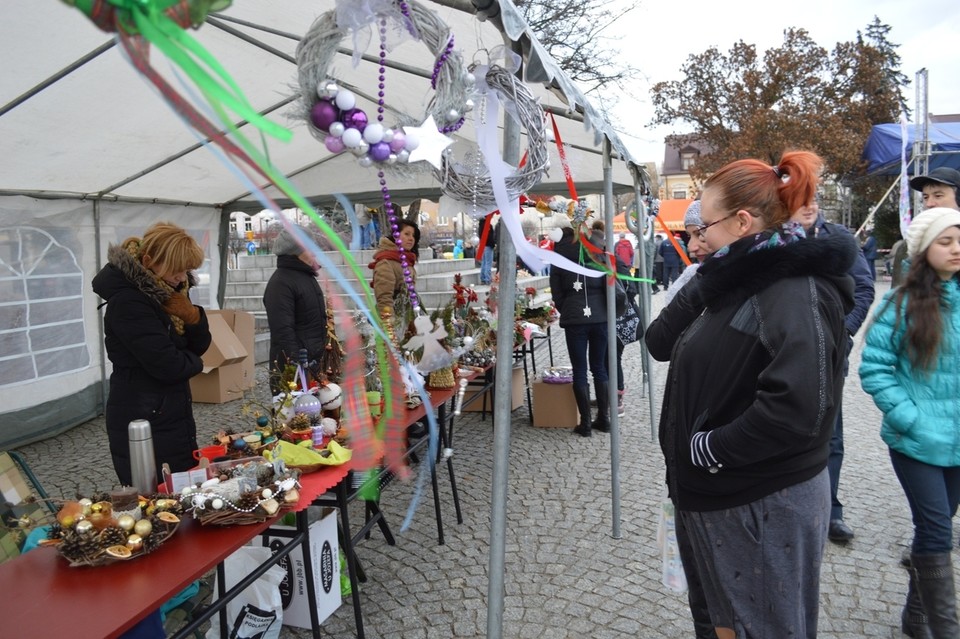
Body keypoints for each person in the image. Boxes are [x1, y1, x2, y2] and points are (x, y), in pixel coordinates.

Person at [645, 150, 856, 639]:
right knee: (721, 624)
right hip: (713, 496)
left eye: (705, 226)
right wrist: (711, 273)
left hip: (759, 500)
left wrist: (709, 448)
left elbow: (799, 406)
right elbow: (659, 343)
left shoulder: (792, 289)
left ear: (742, 222)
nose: (696, 239)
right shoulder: (734, 280)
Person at [859, 207, 960, 639]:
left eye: (959, 239)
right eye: (946, 241)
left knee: (933, 529)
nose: (956, 248)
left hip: (957, 441)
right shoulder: (898, 304)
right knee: (938, 529)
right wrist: (908, 417)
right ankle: (945, 629)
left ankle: (916, 614)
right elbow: (875, 369)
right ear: (923, 250)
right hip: (916, 441)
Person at [91, 221, 211, 487]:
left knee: (180, 488)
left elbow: (198, 345)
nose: (182, 277)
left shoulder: (166, 293)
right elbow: (170, 365)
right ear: (148, 261)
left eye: (186, 270)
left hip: (166, 409)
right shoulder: (129, 302)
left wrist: (192, 317)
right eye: (176, 270)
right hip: (143, 414)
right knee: (156, 495)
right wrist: (196, 362)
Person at [790, 200, 875, 544]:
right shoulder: (773, 240)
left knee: (831, 433)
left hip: (831, 353)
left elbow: (865, 288)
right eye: (799, 198)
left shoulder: (839, 239)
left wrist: (844, 331)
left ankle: (830, 510)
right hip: (785, 352)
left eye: (812, 197)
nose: (807, 205)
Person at [550, 225, 611, 437]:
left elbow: (556, 293)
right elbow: (608, 280)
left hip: (576, 317)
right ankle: (604, 418)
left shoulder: (559, 256)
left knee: (580, 370)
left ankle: (585, 423)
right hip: (600, 316)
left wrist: (567, 308)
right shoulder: (594, 250)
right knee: (599, 367)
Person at [262, 228, 328, 394]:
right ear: (295, 252)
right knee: (296, 416)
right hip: (294, 369)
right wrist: (296, 365)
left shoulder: (306, 276)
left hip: (311, 362)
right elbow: (283, 330)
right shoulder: (281, 283)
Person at [369, 219, 419, 347]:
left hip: (407, 316)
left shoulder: (406, 259)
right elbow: (384, 297)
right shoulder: (386, 261)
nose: (411, 239)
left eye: (413, 235)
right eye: (407, 234)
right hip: (393, 319)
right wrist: (390, 326)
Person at [477, 215, 498, 284]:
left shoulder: (480, 225)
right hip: (488, 245)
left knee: (484, 262)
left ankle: (483, 278)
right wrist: (493, 244)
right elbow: (489, 237)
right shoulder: (487, 225)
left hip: (482, 245)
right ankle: (487, 279)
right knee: (488, 263)